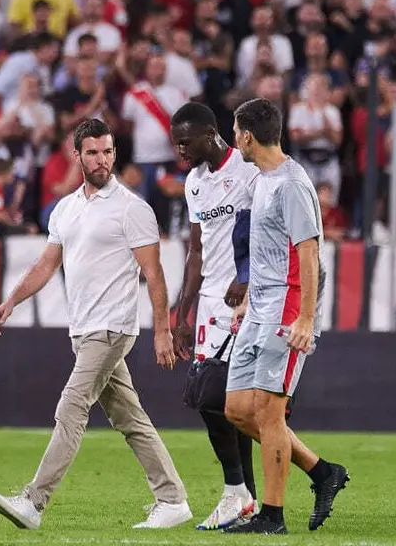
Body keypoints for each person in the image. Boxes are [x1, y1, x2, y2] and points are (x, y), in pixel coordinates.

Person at [0, 118, 191, 531]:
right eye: (94, 152)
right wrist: (11, 300)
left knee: (71, 406)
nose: (103, 159)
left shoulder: (133, 209)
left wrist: (163, 330)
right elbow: (48, 262)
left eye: (109, 151)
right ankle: (172, 499)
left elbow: (153, 274)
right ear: (76, 155)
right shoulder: (66, 208)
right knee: (131, 420)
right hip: (83, 328)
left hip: (112, 327)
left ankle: (34, 501)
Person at [222, 98, 349, 535]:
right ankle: (321, 472)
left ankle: (271, 516)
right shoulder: (263, 181)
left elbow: (309, 255)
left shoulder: (293, 184)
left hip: (287, 308)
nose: (234, 138)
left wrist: (306, 319)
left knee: (269, 412)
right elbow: (268, 252)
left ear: (247, 136)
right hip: (258, 307)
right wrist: (246, 301)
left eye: (235, 131)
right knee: (238, 409)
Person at [169, 101, 259, 530]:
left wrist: (245, 275)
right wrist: (182, 312)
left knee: (215, 400)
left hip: (243, 304)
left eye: (185, 142)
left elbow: (265, 231)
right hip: (207, 306)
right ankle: (248, 497)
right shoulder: (194, 183)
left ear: (210, 134)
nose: (180, 152)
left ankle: (235, 490)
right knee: (225, 406)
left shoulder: (247, 170)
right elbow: (196, 250)